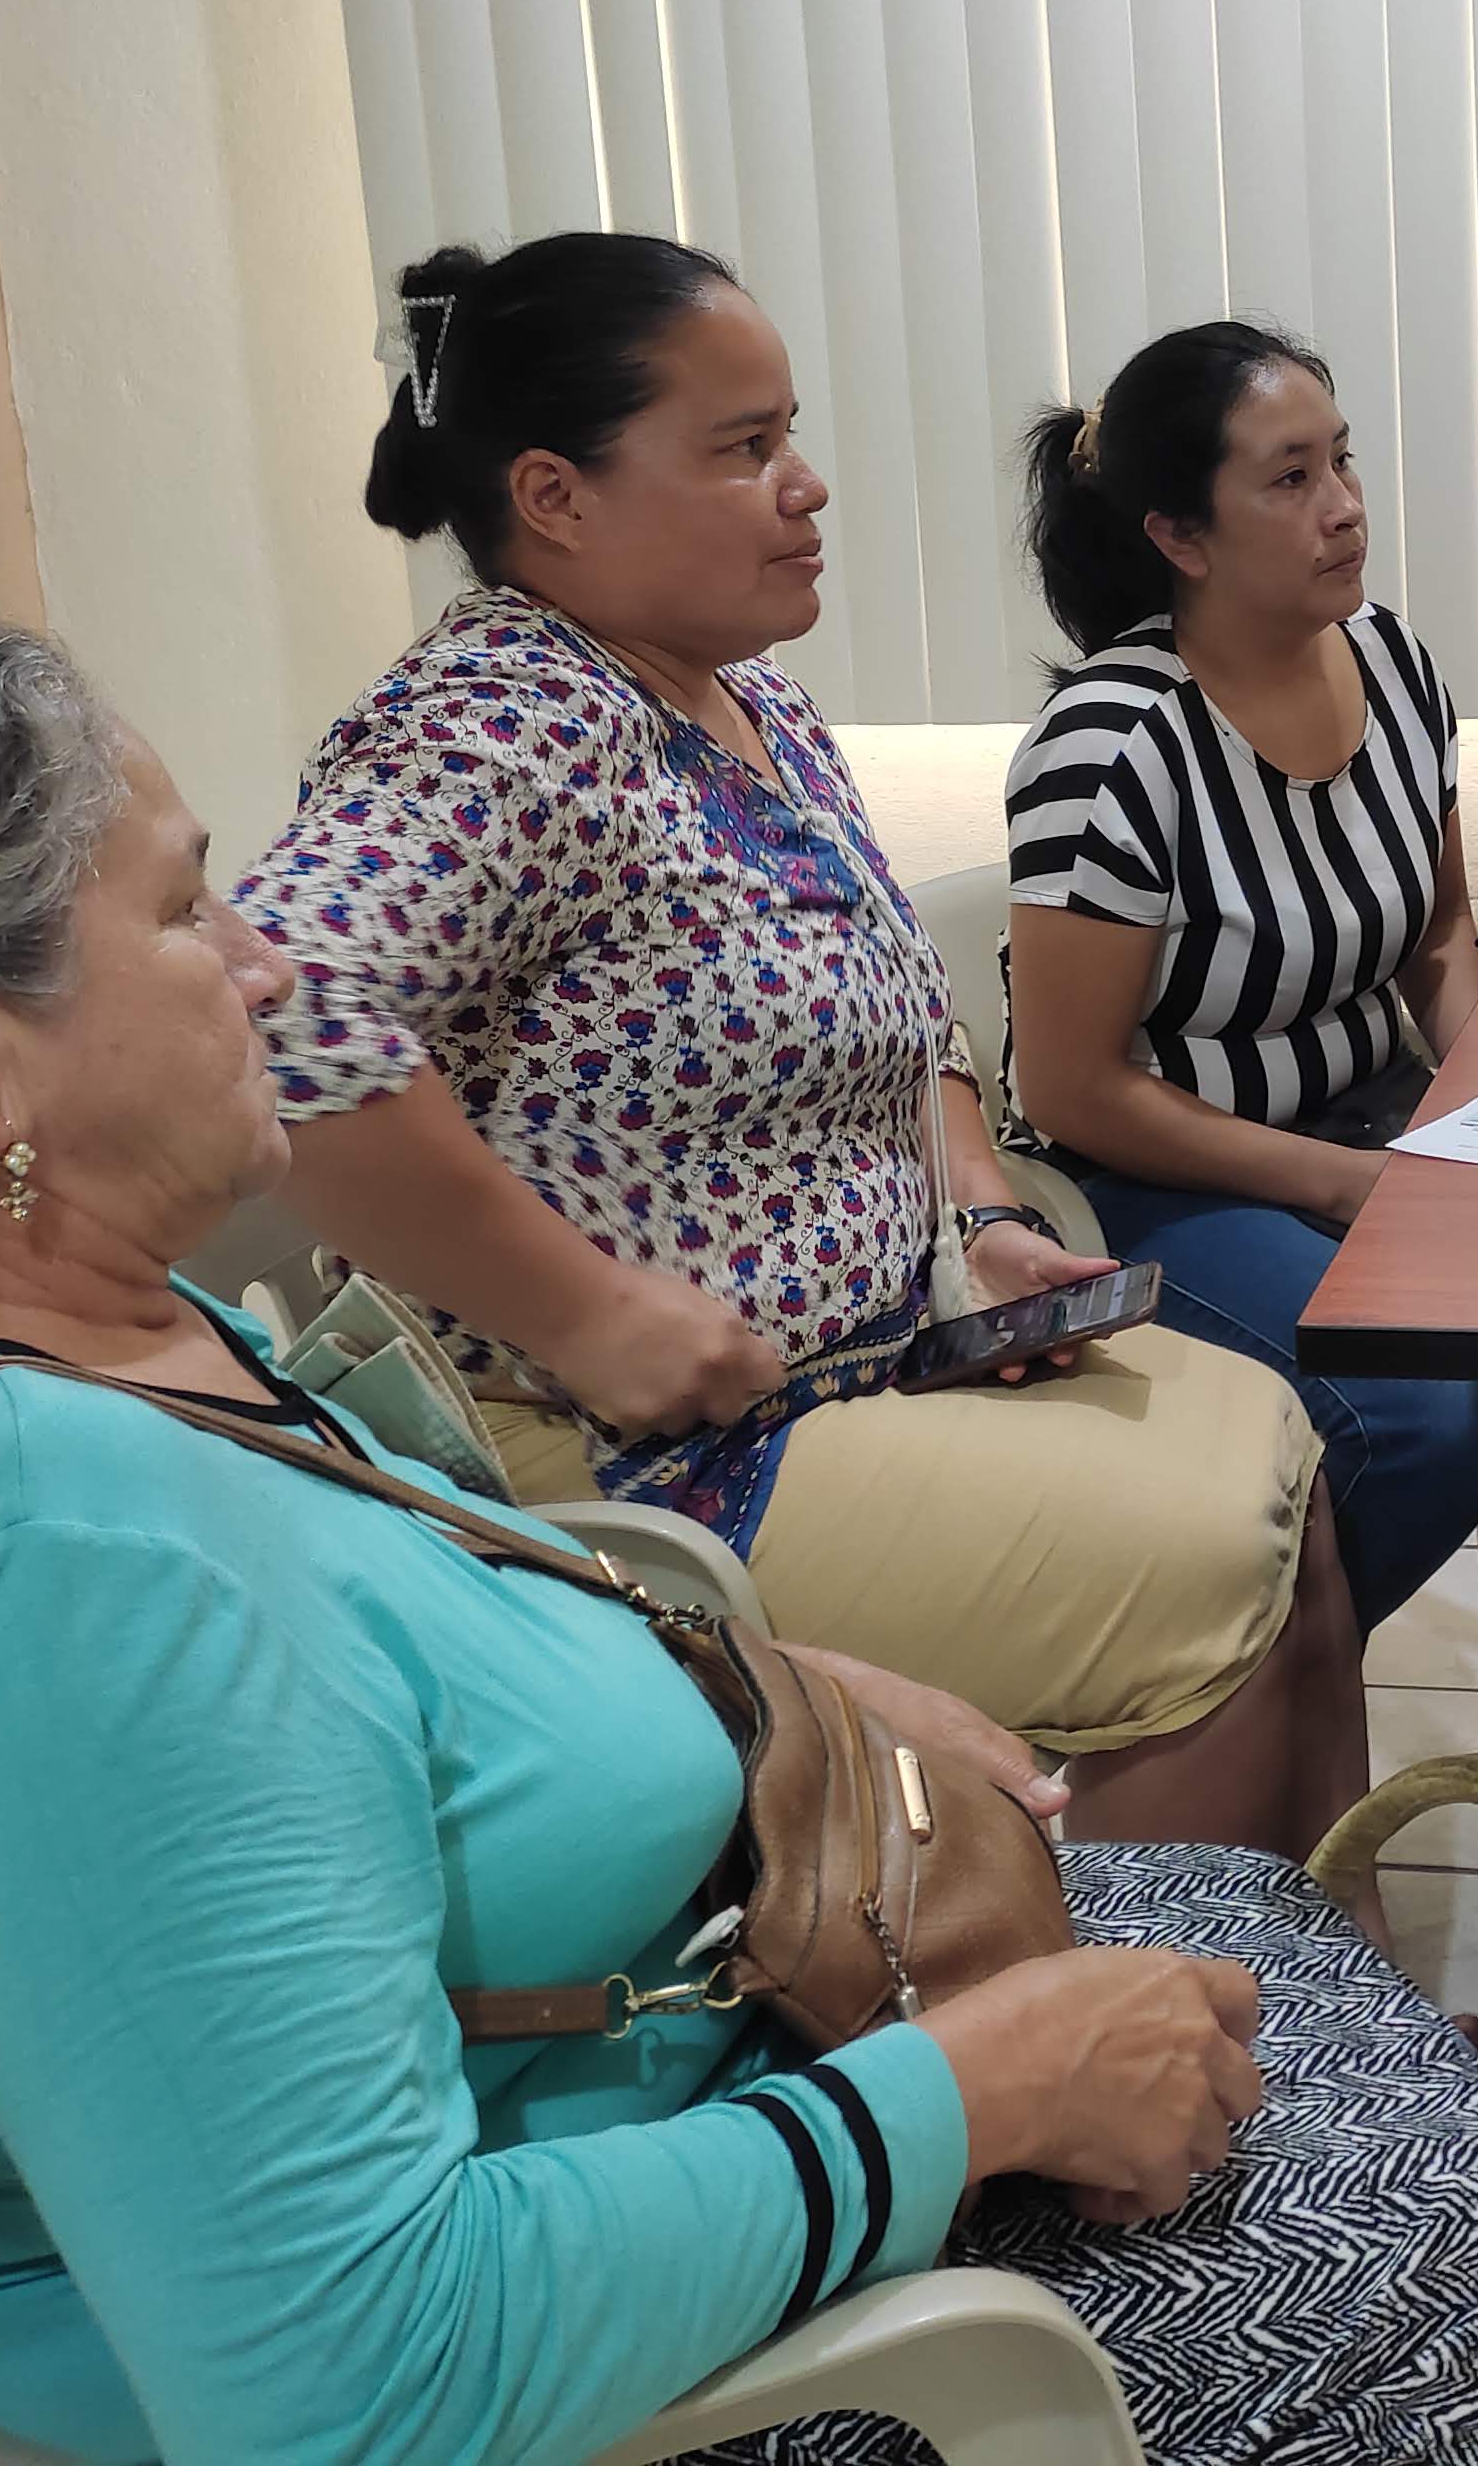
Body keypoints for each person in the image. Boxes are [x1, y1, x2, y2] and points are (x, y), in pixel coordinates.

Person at [0, 615, 1478, 2466]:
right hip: (612, 2370)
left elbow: (381, 1664)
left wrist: (780, 1687)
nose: (267, 961)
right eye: (188, 914)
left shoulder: (71, 1356)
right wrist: (977, 2091)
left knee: (1252, 1930)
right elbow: (354, 2389)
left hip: (675, 2049)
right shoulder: (65, 1560)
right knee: (1472, 2280)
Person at [238, 236, 1369, 1884]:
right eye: (744, 447)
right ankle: (1135, 2020)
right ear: (556, 497)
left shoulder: (747, 700)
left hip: (871, 1351)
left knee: (1281, 1457)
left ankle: (1335, 1993)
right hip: (648, 1453)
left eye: (791, 435)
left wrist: (979, 1215)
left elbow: (911, 1013)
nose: (807, 484)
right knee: (1202, 1557)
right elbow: (274, 1008)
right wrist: (587, 1312)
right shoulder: (503, 721)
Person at [998, 322, 1478, 1706]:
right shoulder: (1113, 746)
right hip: (1157, 1174)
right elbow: (1070, 1089)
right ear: (1180, 535)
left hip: (1366, 1126)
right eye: (1290, 480)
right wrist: (1349, 1184)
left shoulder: (1392, 663)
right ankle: (1247, 1724)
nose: (1344, 506)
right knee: (1420, 1422)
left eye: (1342, 461)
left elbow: (1437, 938)